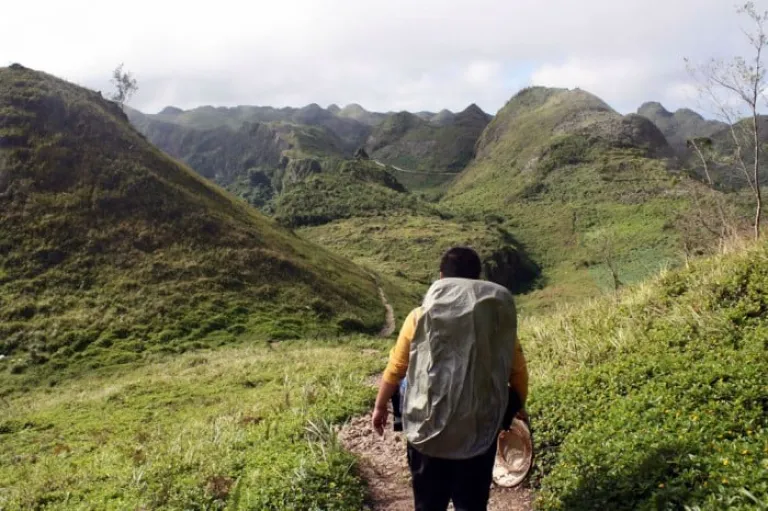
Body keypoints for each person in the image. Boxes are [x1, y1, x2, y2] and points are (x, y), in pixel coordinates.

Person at [372, 246, 529, 511]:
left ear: (442, 276)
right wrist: (515, 408)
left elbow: (397, 368)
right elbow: (517, 373)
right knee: (471, 503)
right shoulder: (496, 323)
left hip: (427, 428)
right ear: (477, 278)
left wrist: (380, 406)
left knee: (429, 504)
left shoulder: (419, 317)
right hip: (479, 429)